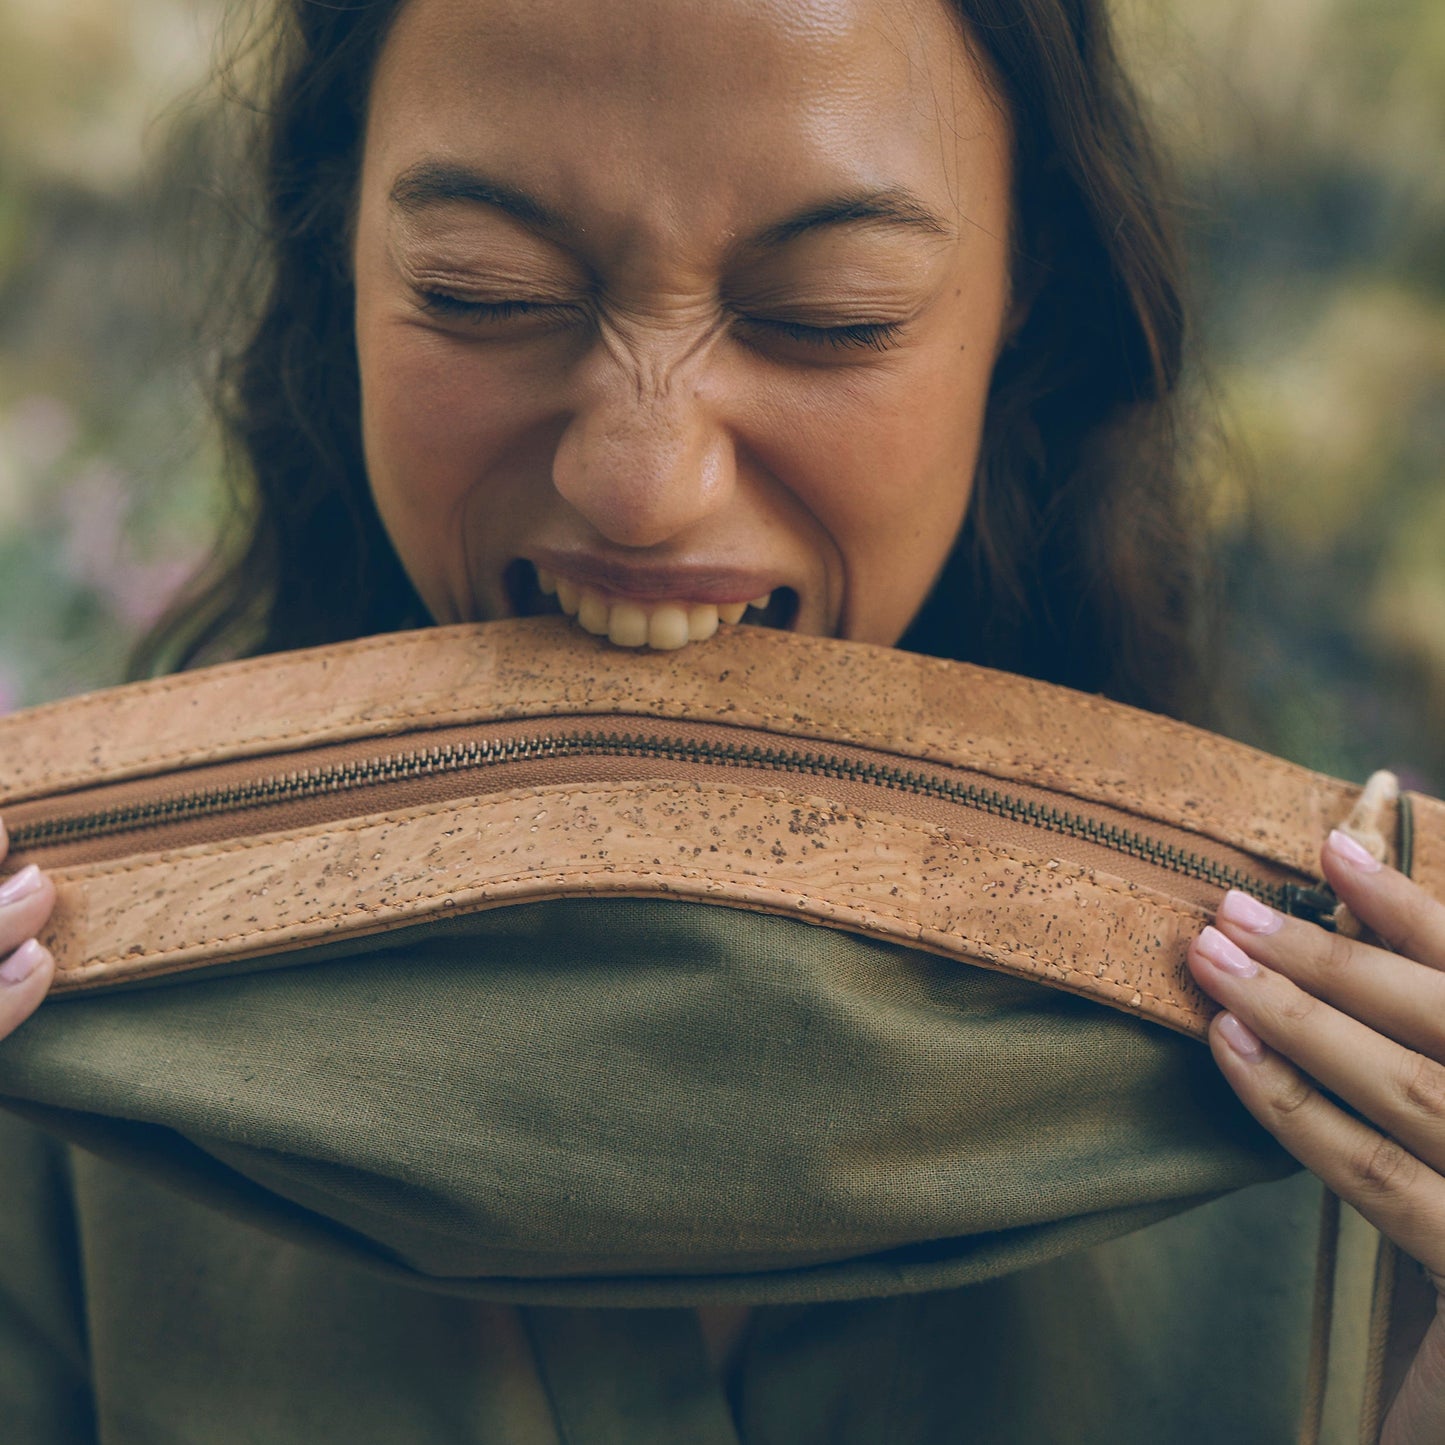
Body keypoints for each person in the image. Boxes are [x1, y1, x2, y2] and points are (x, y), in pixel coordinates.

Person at [2, 0, 1443, 1439]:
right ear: (340, 263)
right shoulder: (49, 1071)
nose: (643, 481)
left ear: (1026, 294)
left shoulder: (1359, 1123)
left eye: (829, 315)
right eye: (484, 289)